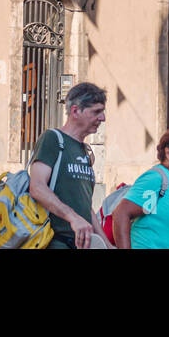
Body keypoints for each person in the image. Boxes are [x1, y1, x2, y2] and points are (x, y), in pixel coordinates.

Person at [27, 81, 107, 249]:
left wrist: (107, 244)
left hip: (81, 243)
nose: (102, 118)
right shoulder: (53, 139)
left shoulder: (85, 151)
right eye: (96, 112)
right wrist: (73, 218)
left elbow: (86, 206)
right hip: (54, 240)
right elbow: (37, 187)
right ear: (75, 111)